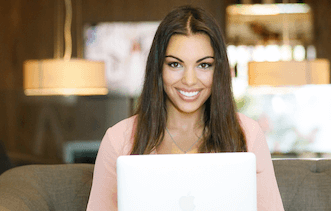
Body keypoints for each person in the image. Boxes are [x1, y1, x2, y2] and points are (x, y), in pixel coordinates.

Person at [86, 5, 284, 211]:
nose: (189, 80)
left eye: (204, 65)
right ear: (158, 68)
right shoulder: (118, 139)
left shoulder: (248, 134)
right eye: (175, 64)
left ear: (219, 70)